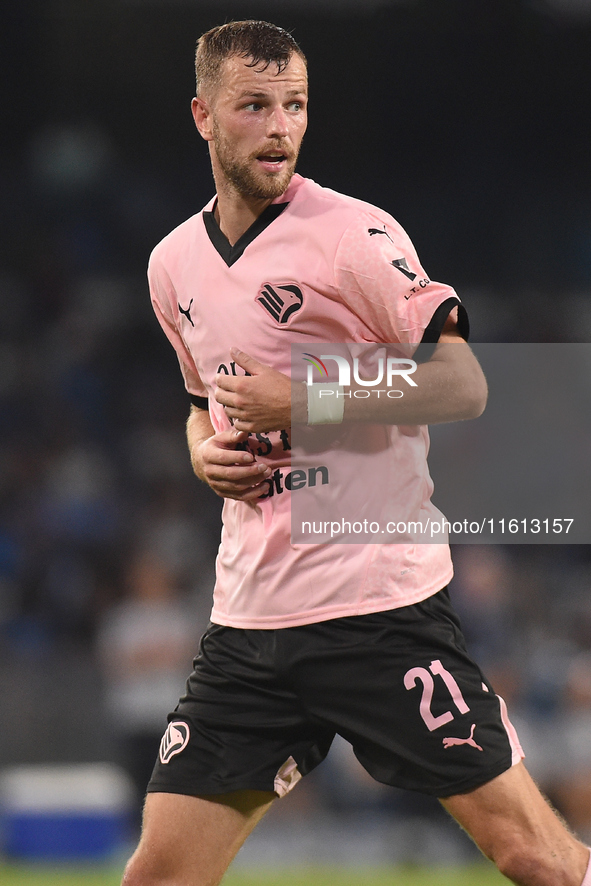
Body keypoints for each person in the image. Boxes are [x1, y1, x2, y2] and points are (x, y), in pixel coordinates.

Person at [122, 20, 591, 886]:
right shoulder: (172, 265)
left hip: (377, 611)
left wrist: (302, 398)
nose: (279, 126)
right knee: (158, 876)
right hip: (249, 627)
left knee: (539, 860)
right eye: (253, 106)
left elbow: (463, 386)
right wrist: (200, 456)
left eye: (294, 106)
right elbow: (201, 407)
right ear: (202, 116)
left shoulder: (353, 237)